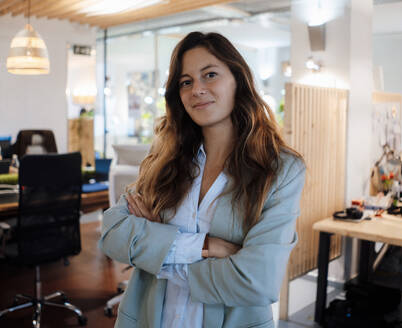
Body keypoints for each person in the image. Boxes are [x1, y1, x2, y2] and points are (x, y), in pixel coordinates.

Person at [99, 31, 306, 328]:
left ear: (238, 80)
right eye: (186, 82)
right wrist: (207, 247)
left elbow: (257, 281)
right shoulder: (163, 161)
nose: (197, 89)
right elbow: (112, 233)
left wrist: (157, 249)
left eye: (209, 75)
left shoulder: (280, 170)